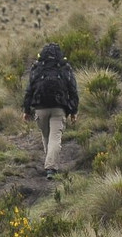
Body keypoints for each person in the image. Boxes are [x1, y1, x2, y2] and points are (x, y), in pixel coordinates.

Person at [22, 43, 79, 179]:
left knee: (47, 137)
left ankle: (50, 166)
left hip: (40, 108)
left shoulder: (37, 68)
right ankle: (51, 168)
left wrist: (26, 110)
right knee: (55, 138)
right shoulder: (65, 68)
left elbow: (30, 90)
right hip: (59, 108)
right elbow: (73, 90)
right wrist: (74, 111)